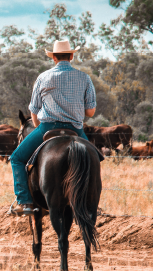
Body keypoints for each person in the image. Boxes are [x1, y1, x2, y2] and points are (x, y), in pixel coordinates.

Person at [10, 39, 96, 215]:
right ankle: (91, 200)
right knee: (95, 159)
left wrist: (38, 127)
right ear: (71, 56)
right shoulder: (84, 78)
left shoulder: (43, 77)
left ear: (54, 58)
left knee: (17, 159)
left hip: (47, 128)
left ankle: (24, 201)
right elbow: (91, 112)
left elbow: (33, 109)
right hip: (76, 129)